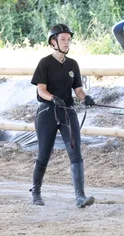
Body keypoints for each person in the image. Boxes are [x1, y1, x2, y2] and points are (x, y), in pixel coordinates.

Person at [30, 24, 96, 208]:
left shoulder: (72, 64)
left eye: (69, 39)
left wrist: (85, 98)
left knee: (75, 153)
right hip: (48, 112)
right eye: (63, 39)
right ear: (53, 42)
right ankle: (36, 192)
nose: (67, 43)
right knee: (44, 154)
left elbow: (78, 90)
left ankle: (80, 196)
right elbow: (41, 90)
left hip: (67, 112)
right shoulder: (44, 63)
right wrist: (53, 98)